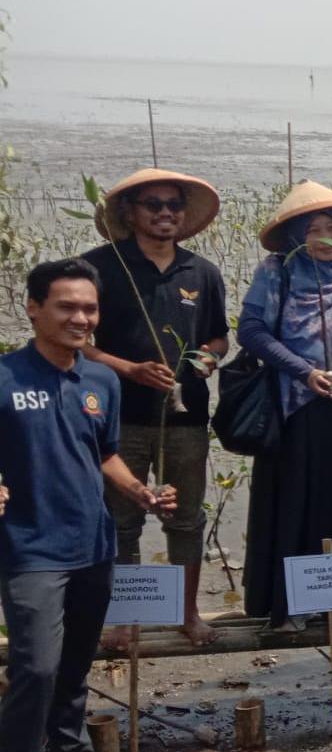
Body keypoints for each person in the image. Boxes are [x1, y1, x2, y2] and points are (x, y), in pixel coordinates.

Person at [0, 258, 177, 752]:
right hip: (31, 550)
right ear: (33, 308)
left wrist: (140, 492)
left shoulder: (102, 382)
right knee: (36, 669)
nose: (80, 318)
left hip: (94, 544)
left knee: (75, 661)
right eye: (66, 307)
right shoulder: (4, 379)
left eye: (89, 309)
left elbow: (104, 455)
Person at [82, 168, 227, 647]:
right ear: (130, 212)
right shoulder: (99, 268)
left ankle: (187, 615)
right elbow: (80, 344)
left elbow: (218, 337)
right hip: (118, 418)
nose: (165, 213)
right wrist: (129, 369)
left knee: (185, 519)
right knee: (121, 519)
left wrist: (208, 358)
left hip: (185, 420)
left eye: (173, 205)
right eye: (153, 205)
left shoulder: (201, 272)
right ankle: (126, 620)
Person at [239, 182, 332, 633]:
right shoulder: (277, 273)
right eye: (313, 230)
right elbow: (251, 331)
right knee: (292, 501)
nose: (325, 237)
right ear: (295, 239)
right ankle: (288, 605)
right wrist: (303, 371)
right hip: (294, 405)